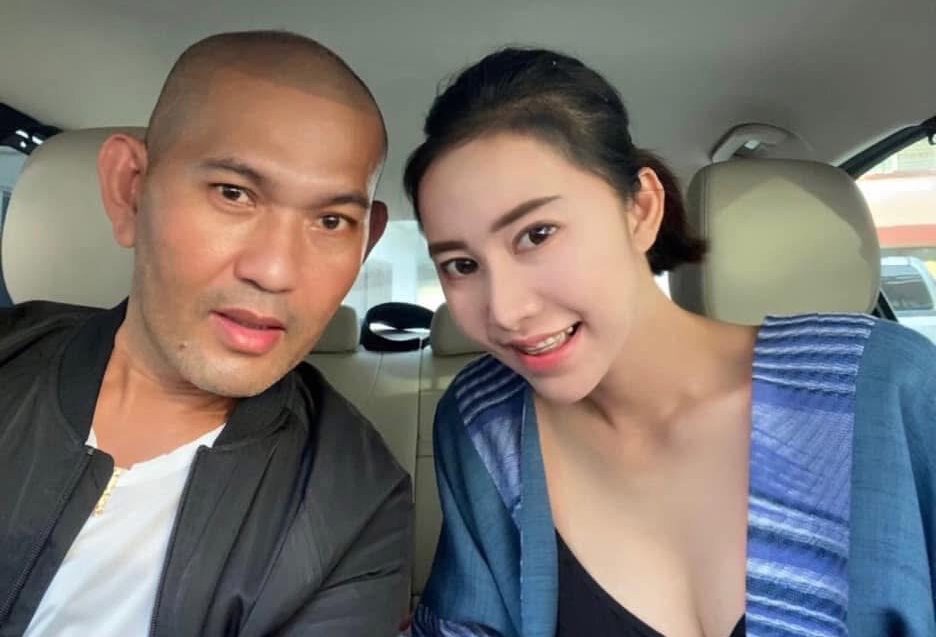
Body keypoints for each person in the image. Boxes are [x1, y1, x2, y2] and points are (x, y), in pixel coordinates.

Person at [404, 48, 936, 637]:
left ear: (641, 209)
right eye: (461, 265)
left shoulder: (888, 389)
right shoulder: (485, 425)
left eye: (537, 234)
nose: (506, 311)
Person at [0, 30, 411, 636]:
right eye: (233, 193)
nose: (275, 271)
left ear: (366, 244)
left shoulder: (356, 505)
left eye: (330, 221)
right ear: (130, 189)